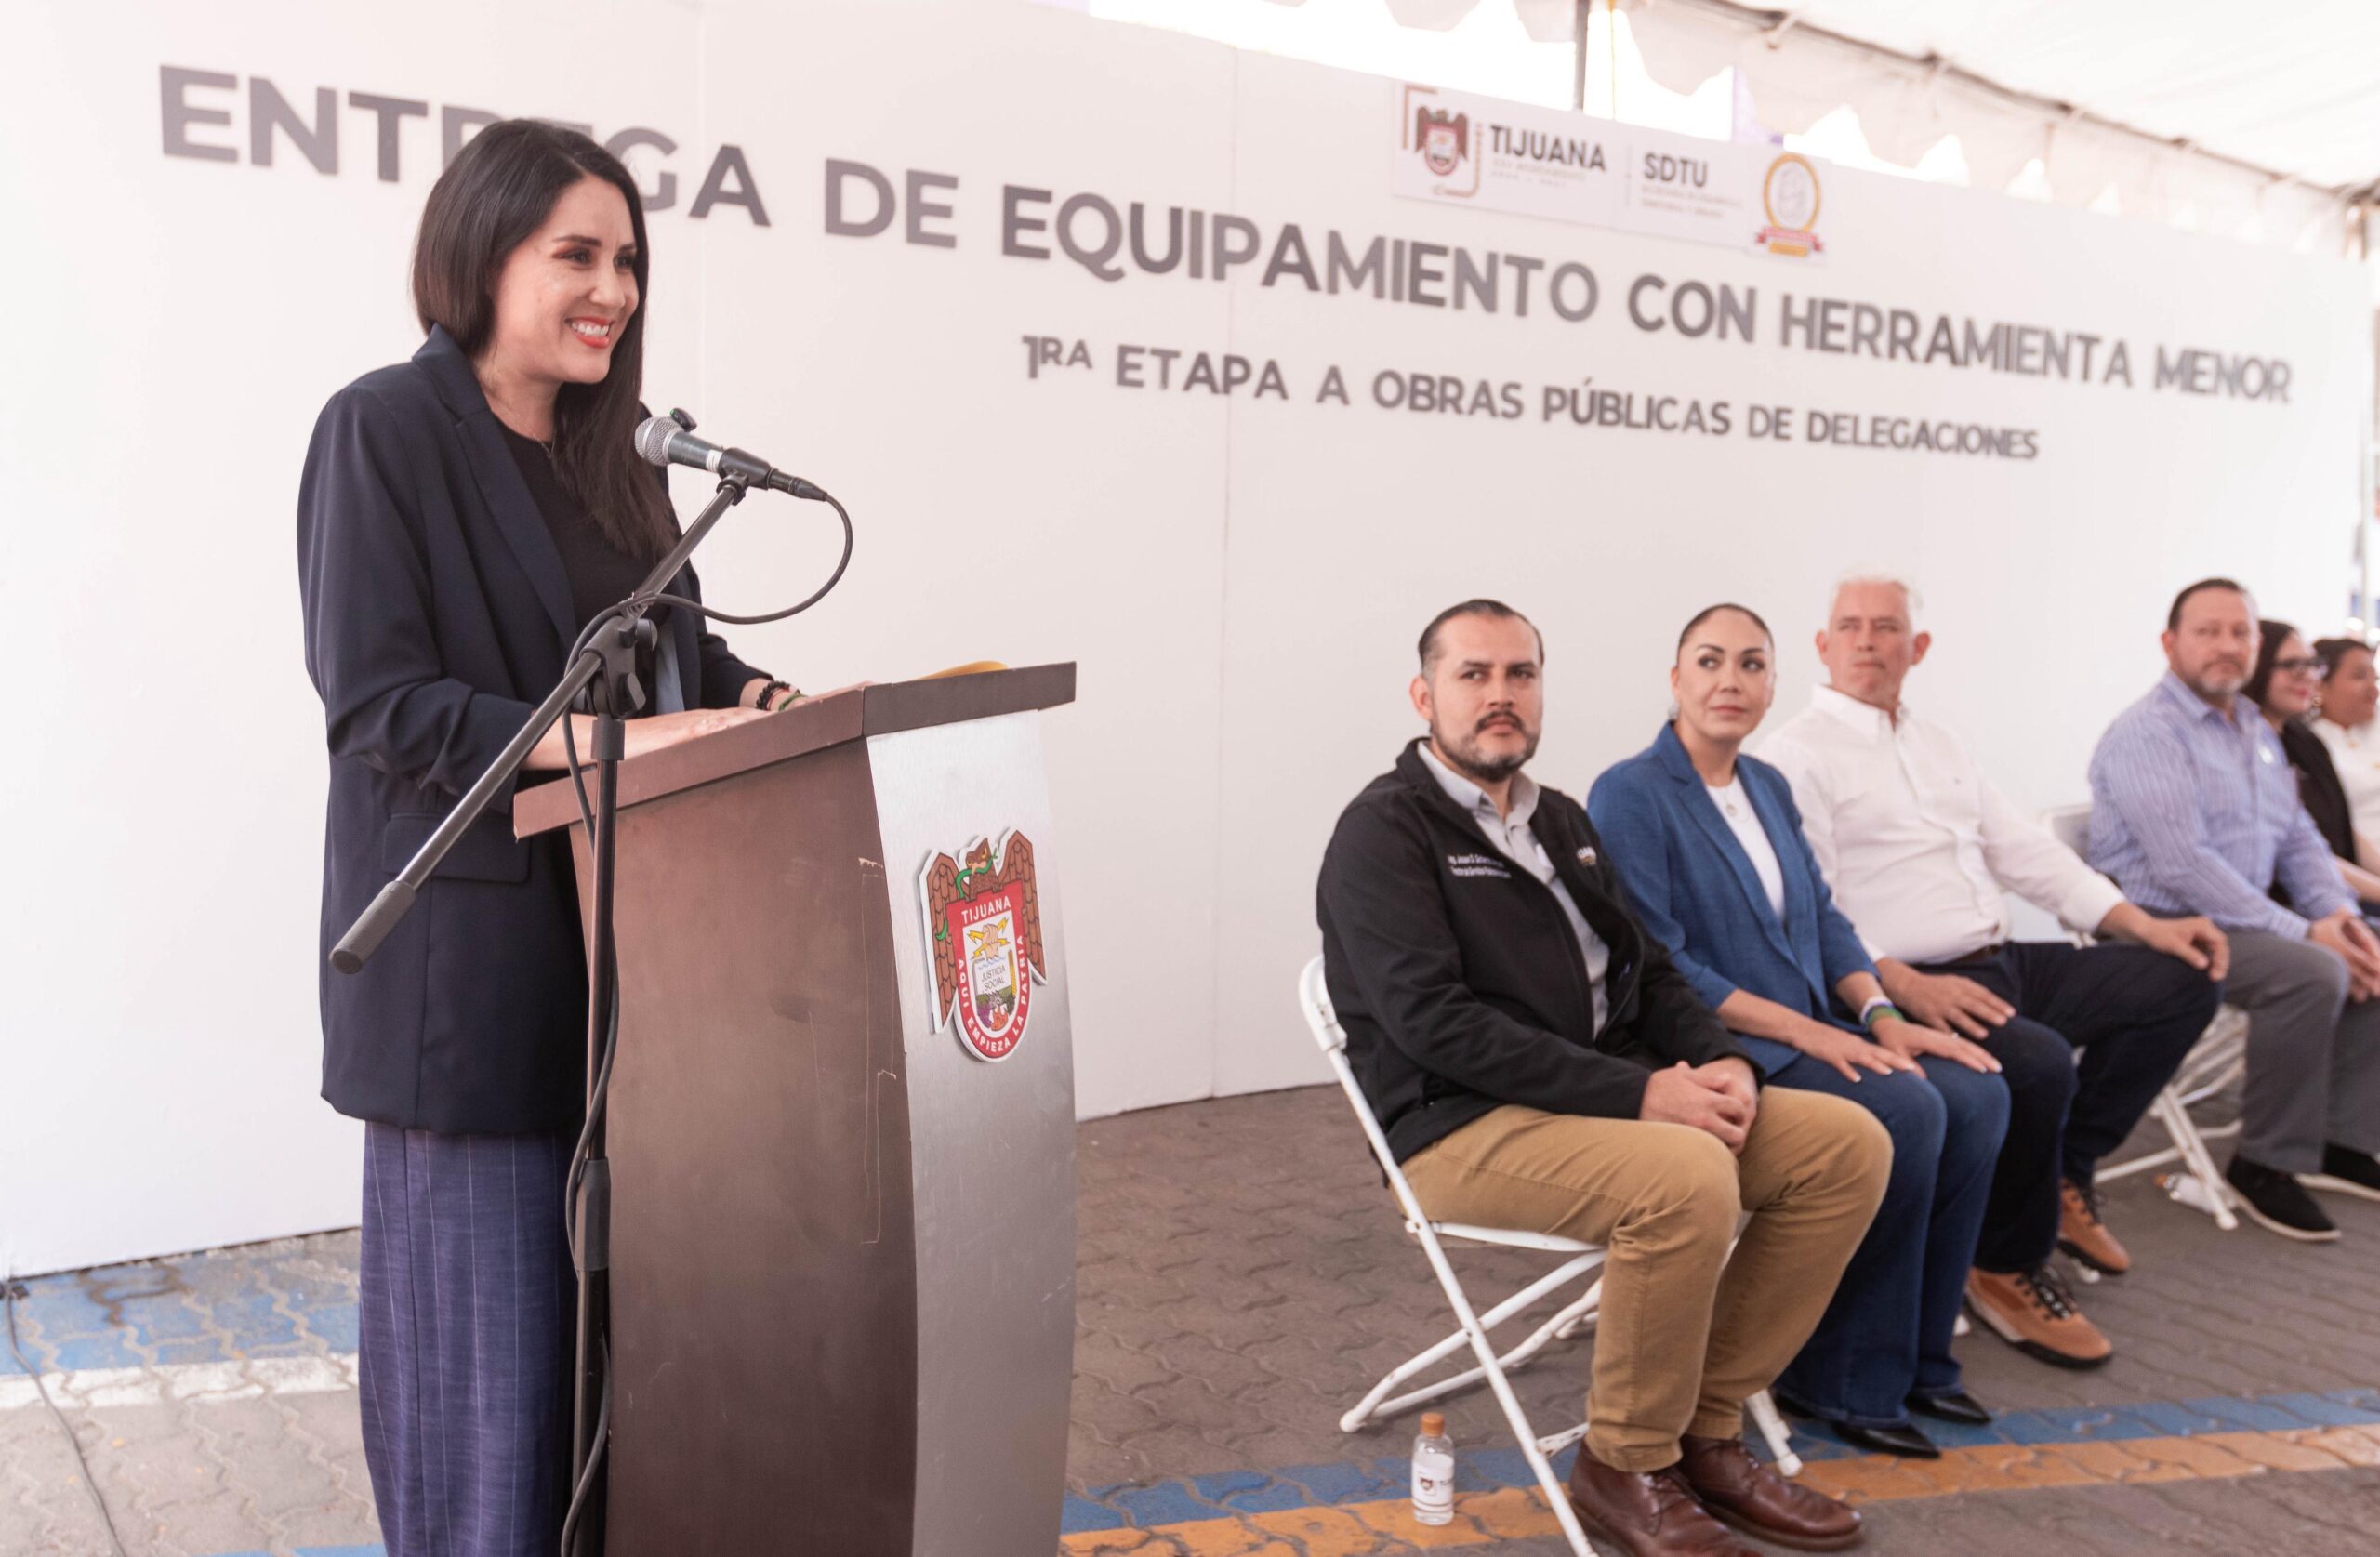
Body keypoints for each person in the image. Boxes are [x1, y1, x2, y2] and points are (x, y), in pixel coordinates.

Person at [298, 122, 804, 1557]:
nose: (615, 287)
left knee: (605, 1417)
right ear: (481, 253)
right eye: (576, 253)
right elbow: (385, 707)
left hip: (646, 997)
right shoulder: (384, 431)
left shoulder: (621, 458)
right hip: (479, 994)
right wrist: (625, 743)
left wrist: (779, 703)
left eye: (629, 258)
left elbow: (680, 676)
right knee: (486, 1428)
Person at [1318, 600, 1890, 1557]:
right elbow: (1434, 1024)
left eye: (1519, 674)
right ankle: (1622, 1465)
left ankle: (1705, 1434)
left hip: (1601, 1099)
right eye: (1473, 675)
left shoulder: (1562, 821)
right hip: (1458, 1122)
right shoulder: (1384, 834)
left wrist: (1722, 1060)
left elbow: (1653, 971)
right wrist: (1642, 1095)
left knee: (1846, 1145)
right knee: (1683, 1176)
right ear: (1425, 695)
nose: (1500, 695)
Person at [1759, 575, 2223, 1369]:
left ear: (1919, 647)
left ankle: (2064, 1172)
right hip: (1908, 982)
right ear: (1823, 645)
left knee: (2180, 977)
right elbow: (1808, 907)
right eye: (1850, 627)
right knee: (2037, 1062)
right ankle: (2005, 1262)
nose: (1868, 641)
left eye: (1887, 627)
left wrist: (2147, 925)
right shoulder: (1794, 757)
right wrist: (1899, 985)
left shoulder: (1939, 741)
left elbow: (2028, 855)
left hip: (1999, 961)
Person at [1590, 603, 2010, 1462]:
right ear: (1675, 680)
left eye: (1751, 664)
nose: (1730, 682)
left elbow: (1822, 916)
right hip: (1720, 1048)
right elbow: (1661, 961)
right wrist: (1816, 1038)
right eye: (1709, 661)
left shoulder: (1768, 784)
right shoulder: (1631, 792)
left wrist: (1883, 1018)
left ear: (1773, 683)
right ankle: (1837, 1378)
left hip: (1814, 1026)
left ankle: (1921, 1359)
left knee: (1980, 1094)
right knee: (1909, 1111)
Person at [2087, 579, 2380, 1243]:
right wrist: (2306, 932)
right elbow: (2184, 866)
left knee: (2365, 947)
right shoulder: (2148, 733)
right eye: (2208, 631)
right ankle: (2265, 1163)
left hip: (2239, 921)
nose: (2227, 645)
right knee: (2312, 972)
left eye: (2240, 632)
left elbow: (2297, 837)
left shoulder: (2252, 727)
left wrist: (2336, 915)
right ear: (2171, 644)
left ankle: (2338, 1139)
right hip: (2163, 930)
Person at [2247, 621, 2380, 903]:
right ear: (2256, 667)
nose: (2308, 677)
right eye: (2292, 666)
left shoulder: (2304, 740)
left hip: (2344, 887)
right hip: (2299, 898)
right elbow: (2303, 854)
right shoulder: (2247, 747)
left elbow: (2344, 834)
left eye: (2311, 665)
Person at [2311, 636, 2380, 841]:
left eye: (2375, 678)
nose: (2373, 689)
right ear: (2320, 685)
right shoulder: (2309, 743)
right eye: (2359, 676)